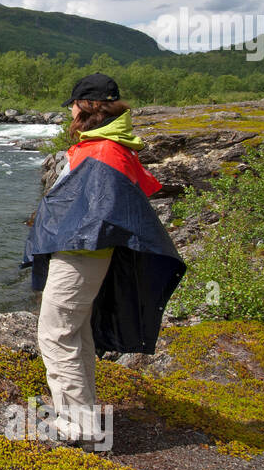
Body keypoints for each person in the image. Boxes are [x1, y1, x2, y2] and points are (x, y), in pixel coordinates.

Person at [21, 73, 186, 448]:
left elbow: (93, 213)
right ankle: (85, 415)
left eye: (75, 105)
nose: (71, 112)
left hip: (81, 253)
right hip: (91, 252)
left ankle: (77, 427)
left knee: (55, 332)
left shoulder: (102, 151)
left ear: (89, 108)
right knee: (77, 332)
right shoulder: (114, 145)